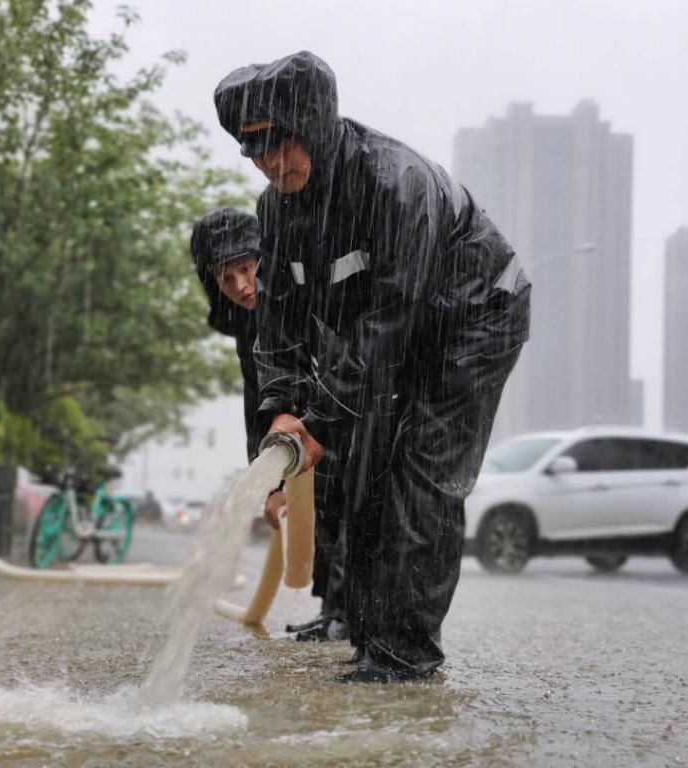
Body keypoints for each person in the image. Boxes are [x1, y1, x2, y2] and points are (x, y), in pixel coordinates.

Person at [214, 52, 531, 682]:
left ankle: (404, 655)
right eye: (254, 153)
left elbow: (389, 320)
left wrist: (322, 419)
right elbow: (278, 327)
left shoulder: (394, 185)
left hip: (474, 320)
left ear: (317, 126)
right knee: (359, 468)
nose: (271, 164)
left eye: (282, 145)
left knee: (419, 473)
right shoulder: (277, 210)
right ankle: (366, 631)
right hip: (393, 328)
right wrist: (279, 414)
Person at [189, 208, 347, 641]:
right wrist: (269, 484)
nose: (241, 287)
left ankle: (352, 612)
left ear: (265, 259)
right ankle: (334, 609)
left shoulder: (299, 292)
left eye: (246, 268)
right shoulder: (247, 321)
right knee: (317, 510)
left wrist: (321, 420)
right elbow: (255, 399)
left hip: (340, 409)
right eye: (226, 279)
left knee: (343, 498)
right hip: (298, 426)